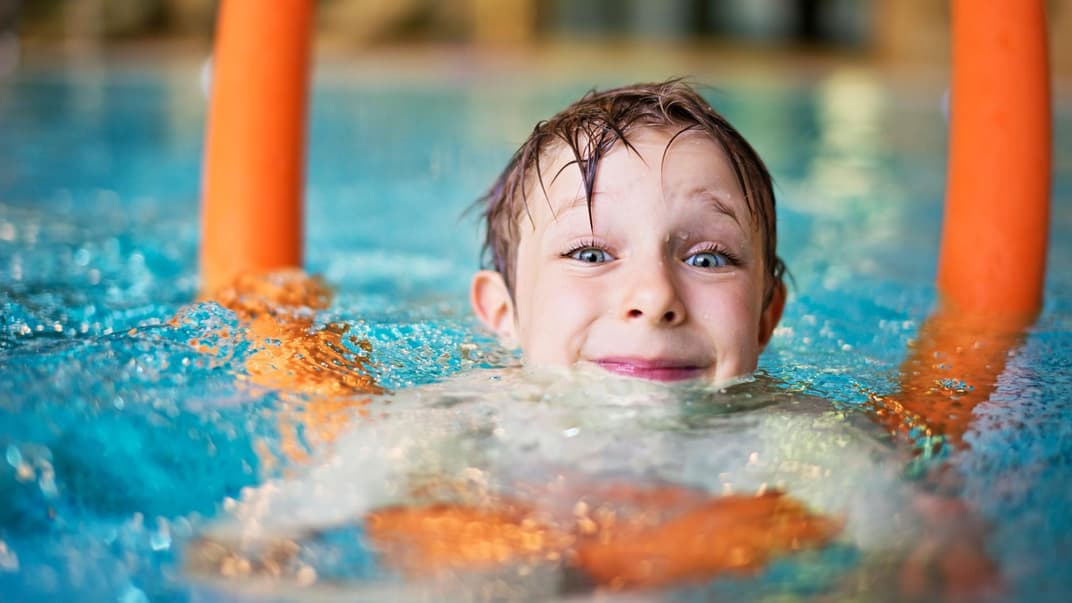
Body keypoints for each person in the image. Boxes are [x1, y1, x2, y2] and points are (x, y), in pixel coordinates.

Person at [469, 79, 785, 386]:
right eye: (590, 255)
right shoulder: (455, 424)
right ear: (503, 311)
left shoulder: (806, 432)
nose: (655, 299)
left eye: (707, 260)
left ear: (764, 318)